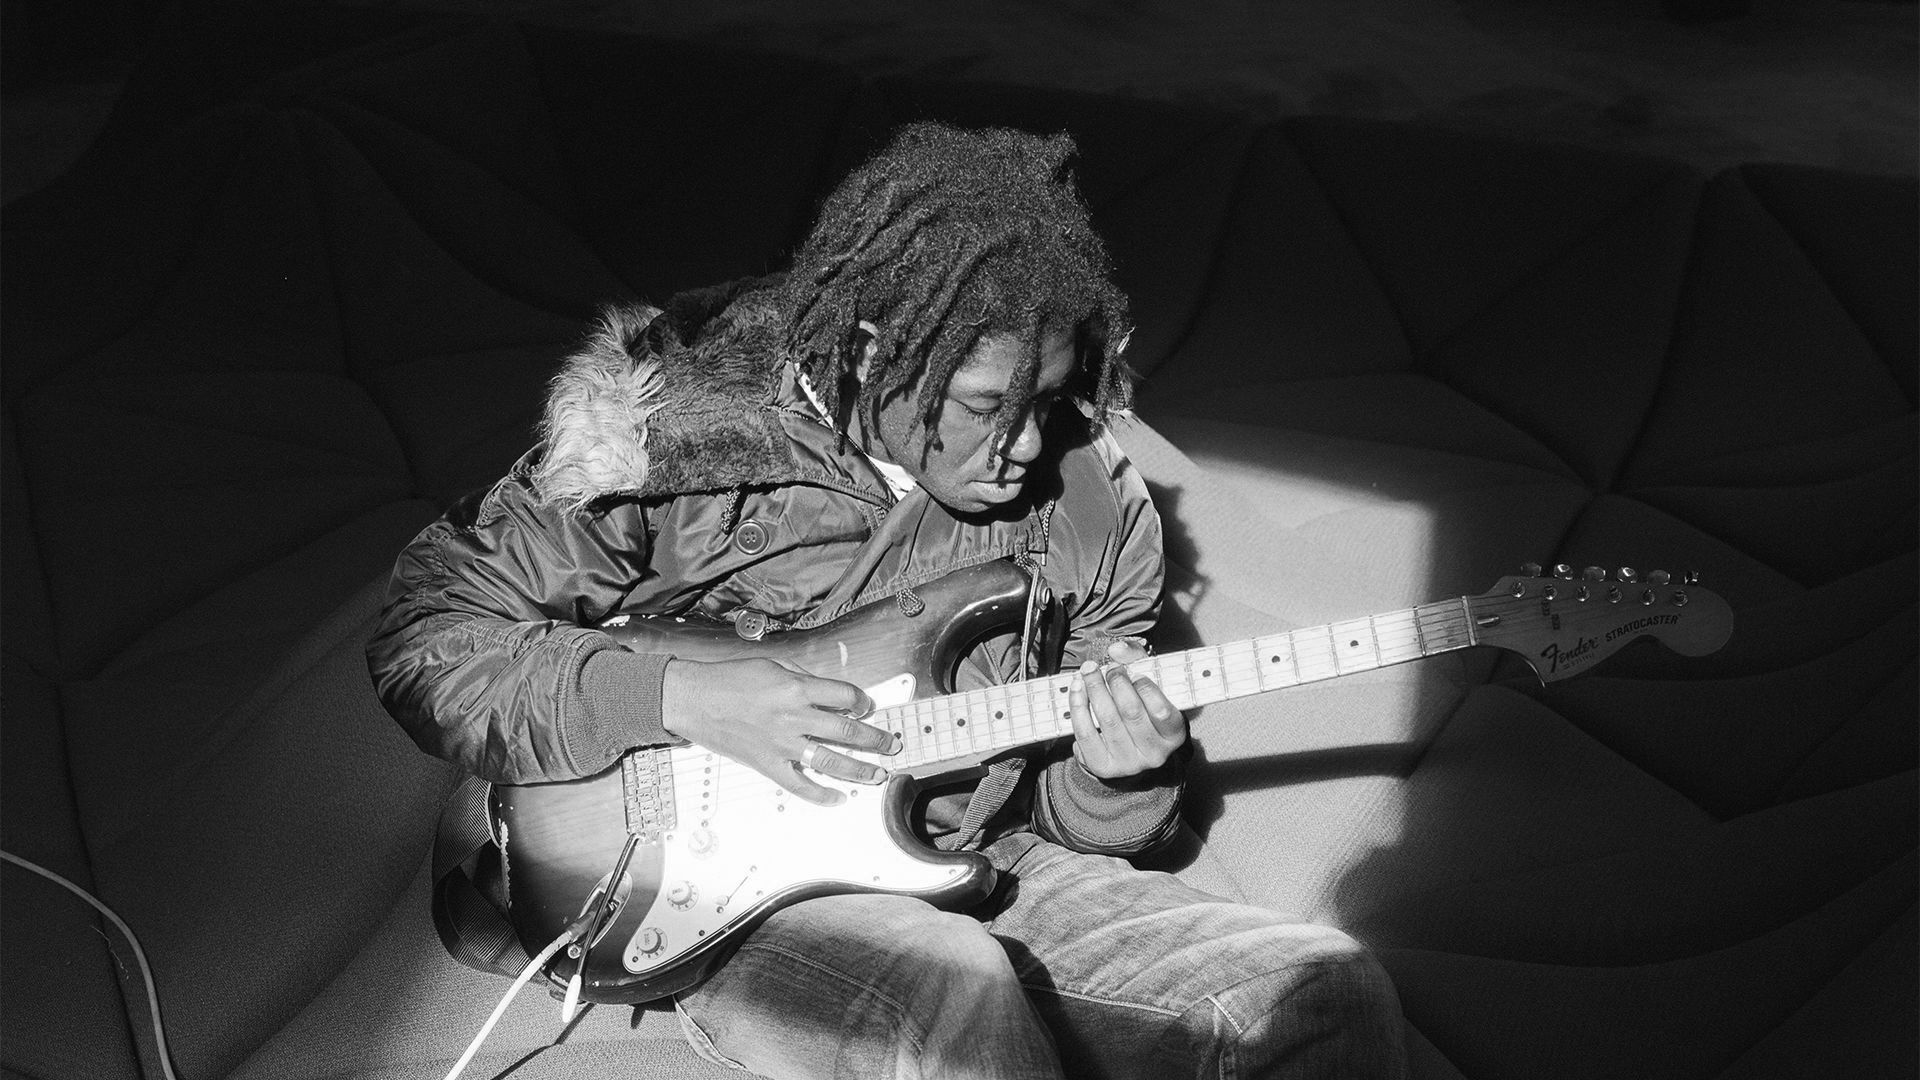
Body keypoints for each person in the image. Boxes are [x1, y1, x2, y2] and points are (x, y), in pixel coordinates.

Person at [367, 122, 1407, 1079]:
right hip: (720, 896)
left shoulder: (1089, 507)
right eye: (986, 407)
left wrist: (1118, 775)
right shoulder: (667, 442)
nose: (1032, 444)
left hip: (975, 854)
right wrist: (679, 698)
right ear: (870, 357)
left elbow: (1076, 822)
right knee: (960, 1002)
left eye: (1048, 400)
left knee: (1322, 992)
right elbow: (429, 642)